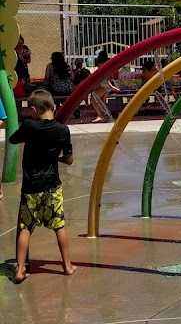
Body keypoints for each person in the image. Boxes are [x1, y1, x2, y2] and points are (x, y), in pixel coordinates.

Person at [8, 89, 76, 284]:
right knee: (59, 226)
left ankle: (20, 270)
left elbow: (13, 139)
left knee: (25, 228)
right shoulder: (63, 130)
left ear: (33, 109)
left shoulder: (29, 126)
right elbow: (70, 160)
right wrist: (54, 157)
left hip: (31, 188)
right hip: (52, 187)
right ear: (53, 107)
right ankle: (67, 266)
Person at [91, 50, 121, 123]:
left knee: (93, 100)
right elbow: (111, 77)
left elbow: (101, 77)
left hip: (104, 85)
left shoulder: (100, 65)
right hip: (107, 86)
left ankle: (100, 116)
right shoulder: (109, 65)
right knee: (102, 102)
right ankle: (108, 116)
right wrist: (110, 85)